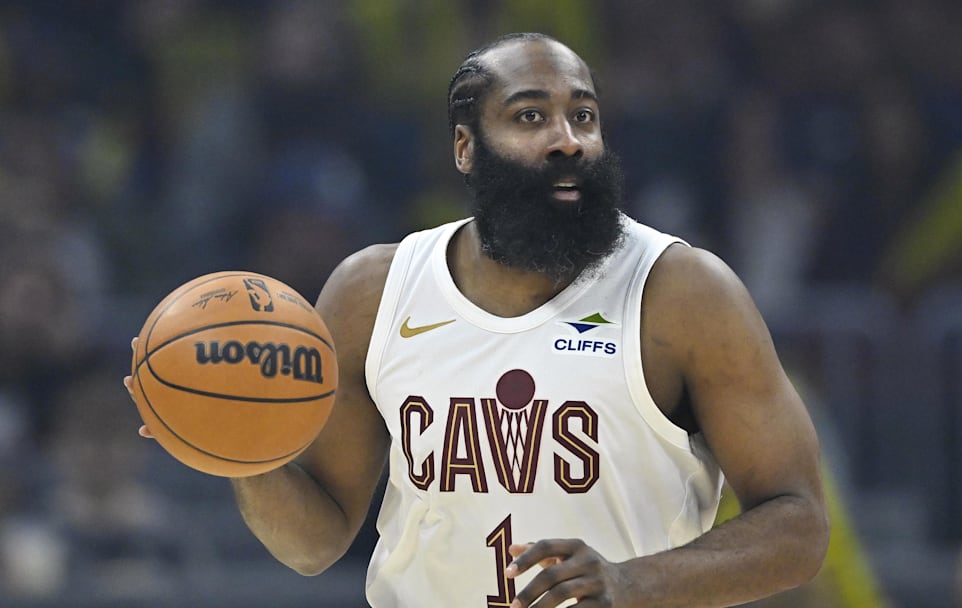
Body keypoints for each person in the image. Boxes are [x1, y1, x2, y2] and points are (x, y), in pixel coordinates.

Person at [126, 32, 829, 607]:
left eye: (582, 116)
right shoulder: (375, 291)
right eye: (530, 117)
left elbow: (799, 527)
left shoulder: (681, 292)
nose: (567, 141)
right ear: (465, 147)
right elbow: (314, 545)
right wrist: (241, 453)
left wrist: (633, 581)